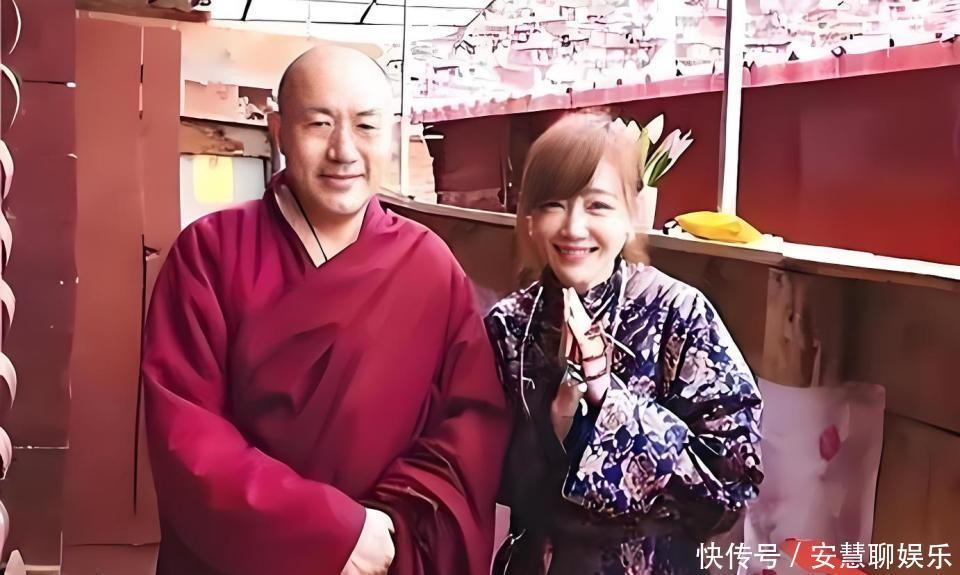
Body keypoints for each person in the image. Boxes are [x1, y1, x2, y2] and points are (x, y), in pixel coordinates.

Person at [142, 45, 510, 575]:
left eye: (366, 126)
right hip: (240, 558)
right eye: (319, 124)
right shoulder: (210, 253)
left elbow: (470, 424)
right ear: (278, 130)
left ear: (391, 134)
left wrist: (391, 526)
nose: (344, 151)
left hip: (383, 553)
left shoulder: (429, 265)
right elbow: (187, 435)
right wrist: (332, 531)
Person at [485, 113, 763, 575]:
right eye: (554, 204)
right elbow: (481, 469)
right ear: (530, 221)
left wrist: (607, 400)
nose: (574, 227)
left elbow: (731, 486)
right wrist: (556, 426)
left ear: (630, 215)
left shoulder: (679, 313)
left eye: (597, 205)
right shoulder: (508, 325)